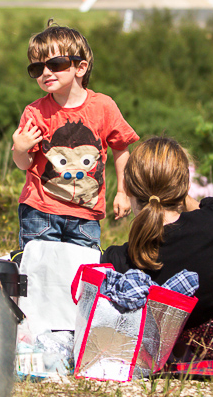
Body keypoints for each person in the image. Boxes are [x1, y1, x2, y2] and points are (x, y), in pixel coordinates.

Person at [100, 136, 213, 359]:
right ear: (185, 185)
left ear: (130, 190)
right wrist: (183, 195)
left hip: (189, 358)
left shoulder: (121, 260)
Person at [11, 22, 138, 250]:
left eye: (55, 64)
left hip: (86, 213)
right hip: (39, 210)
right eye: (37, 69)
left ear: (80, 68)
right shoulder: (35, 112)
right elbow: (25, 164)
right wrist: (20, 148)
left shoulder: (103, 107)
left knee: (81, 277)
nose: (46, 72)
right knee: (39, 273)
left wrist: (123, 192)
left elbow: (121, 148)